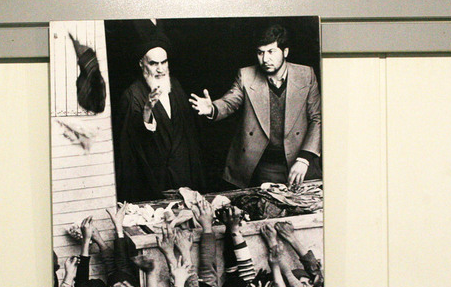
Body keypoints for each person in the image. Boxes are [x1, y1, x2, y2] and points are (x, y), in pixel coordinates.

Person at [190, 24, 322, 188]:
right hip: (266, 164)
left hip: (301, 160)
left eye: (271, 52)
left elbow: (317, 118)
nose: (265, 59)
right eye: (260, 52)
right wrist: (212, 109)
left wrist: (304, 158)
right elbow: (230, 101)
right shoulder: (246, 75)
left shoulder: (306, 75)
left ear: (285, 52)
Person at [115, 32, 205, 202]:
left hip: (183, 177)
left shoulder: (175, 86)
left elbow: (188, 134)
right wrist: (147, 110)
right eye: (153, 63)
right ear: (141, 64)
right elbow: (130, 145)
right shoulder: (132, 95)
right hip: (153, 181)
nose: (160, 69)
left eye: (164, 62)